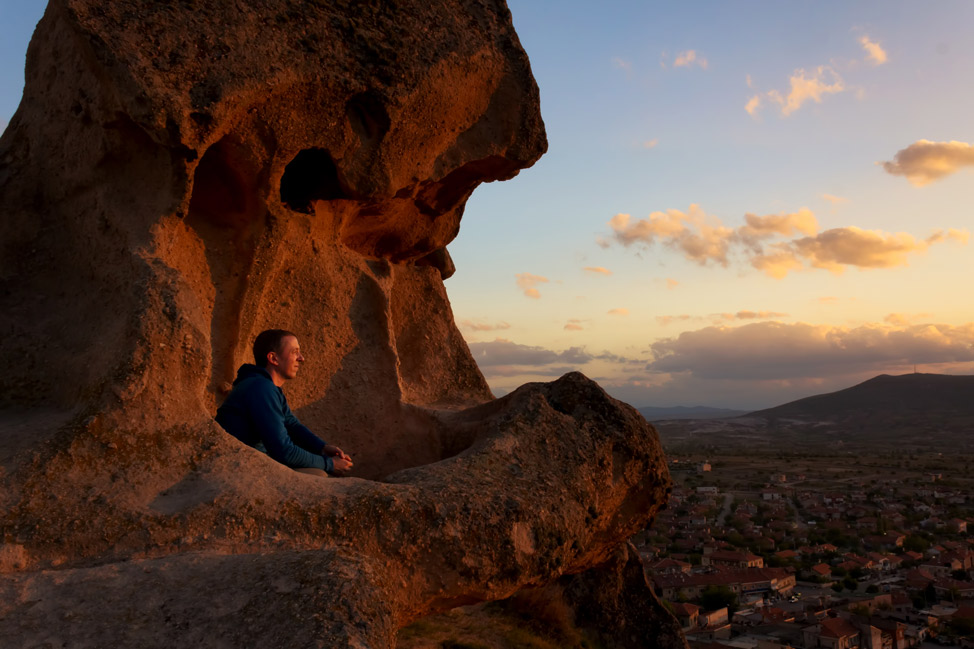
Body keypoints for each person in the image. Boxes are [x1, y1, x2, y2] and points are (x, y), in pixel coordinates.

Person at [216, 329, 353, 476]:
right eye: (295, 352)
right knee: (317, 475)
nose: (301, 358)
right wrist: (330, 464)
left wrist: (322, 448)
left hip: (254, 462)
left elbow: (291, 425)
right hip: (238, 469)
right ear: (273, 358)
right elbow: (284, 450)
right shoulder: (261, 388)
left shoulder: (265, 386)